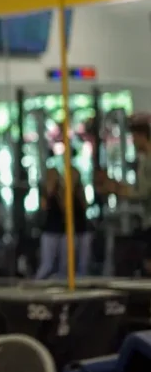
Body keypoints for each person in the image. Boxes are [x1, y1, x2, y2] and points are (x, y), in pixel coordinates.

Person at [96, 119, 151, 275]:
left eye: (134, 138)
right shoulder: (144, 160)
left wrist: (117, 189)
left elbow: (143, 193)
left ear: (142, 136)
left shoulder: (148, 161)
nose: (133, 142)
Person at [35, 166, 90, 279]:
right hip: (50, 230)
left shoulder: (70, 190)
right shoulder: (46, 190)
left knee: (67, 265)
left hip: (65, 230)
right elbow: (44, 207)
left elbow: (71, 209)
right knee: (48, 264)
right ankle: (38, 282)